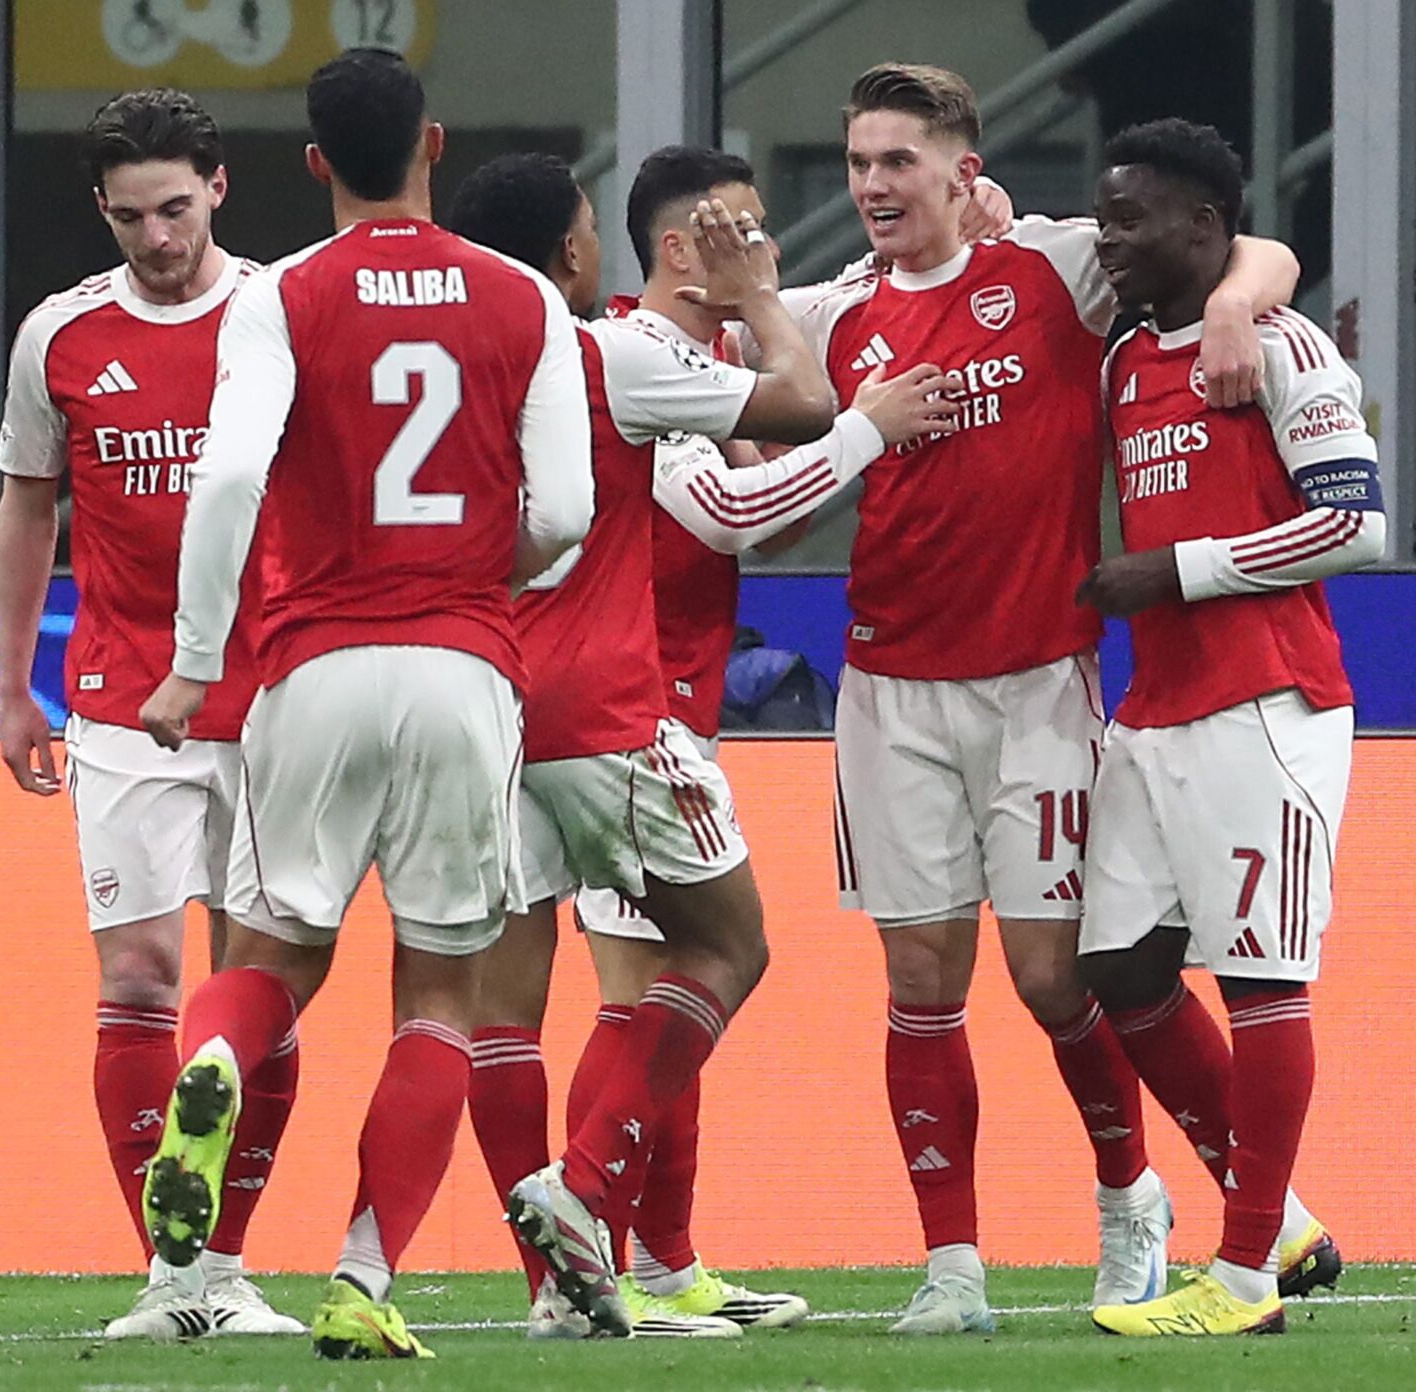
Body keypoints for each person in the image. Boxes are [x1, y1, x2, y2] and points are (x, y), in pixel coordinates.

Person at [767, 63, 1306, 1333]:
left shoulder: (1057, 267)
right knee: (918, 980)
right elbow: (717, 353)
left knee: (1053, 978)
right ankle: (951, 1267)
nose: (871, 185)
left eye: (896, 161)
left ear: (963, 172)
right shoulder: (831, 314)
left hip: (1039, 685)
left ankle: (1129, 1203)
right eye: (856, 163)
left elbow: (1256, 248)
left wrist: (1236, 306)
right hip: (887, 688)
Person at [133, 49, 593, 1361]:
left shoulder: (279, 296)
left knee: (270, 955)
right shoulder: (521, 297)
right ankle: (362, 1280)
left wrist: (194, 659)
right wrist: (479, 573)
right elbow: (565, 509)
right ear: (434, 145)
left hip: (314, 666)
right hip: (464, 668)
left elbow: (228, 481)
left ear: (315, 163)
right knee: (440, 996)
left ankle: (213, 1066)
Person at [447, 150, 953, 1338]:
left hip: (502, 702)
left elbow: (762, 474)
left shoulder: (540, 358)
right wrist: (864, 429)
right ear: (679, 248)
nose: (764, 250)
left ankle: (629, 1272)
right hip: (620, 710)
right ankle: (593, 1226)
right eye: (746, 231)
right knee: (679, 973)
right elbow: (733, 512)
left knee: (523, 1005)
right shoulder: (628, 353)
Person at [0, 88, 302, 1340]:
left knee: (258, 982)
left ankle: (226, 1267)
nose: (158, 239)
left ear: (218, 188)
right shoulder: (60, 335)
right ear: (101, 211)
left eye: (175, 209)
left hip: (277, 701)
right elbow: (28, 505)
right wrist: (12, 686)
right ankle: (170, 1280)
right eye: (130, 218)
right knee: (136, 975)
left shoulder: (282, 315)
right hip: (123, 702)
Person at [1073, 117, 1385, 1336]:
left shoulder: (1282, 346)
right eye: (1101, 217)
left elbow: (1352, 523)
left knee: (1260, 978)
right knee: (1119, 969)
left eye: (1130, 218)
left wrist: (1179, 570)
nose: (1107, 238)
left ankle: (1246, 1278)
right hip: (1153, 708)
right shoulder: (1123, 356)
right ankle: (1284, 1221)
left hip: (1266, 702)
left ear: (1204, 227)